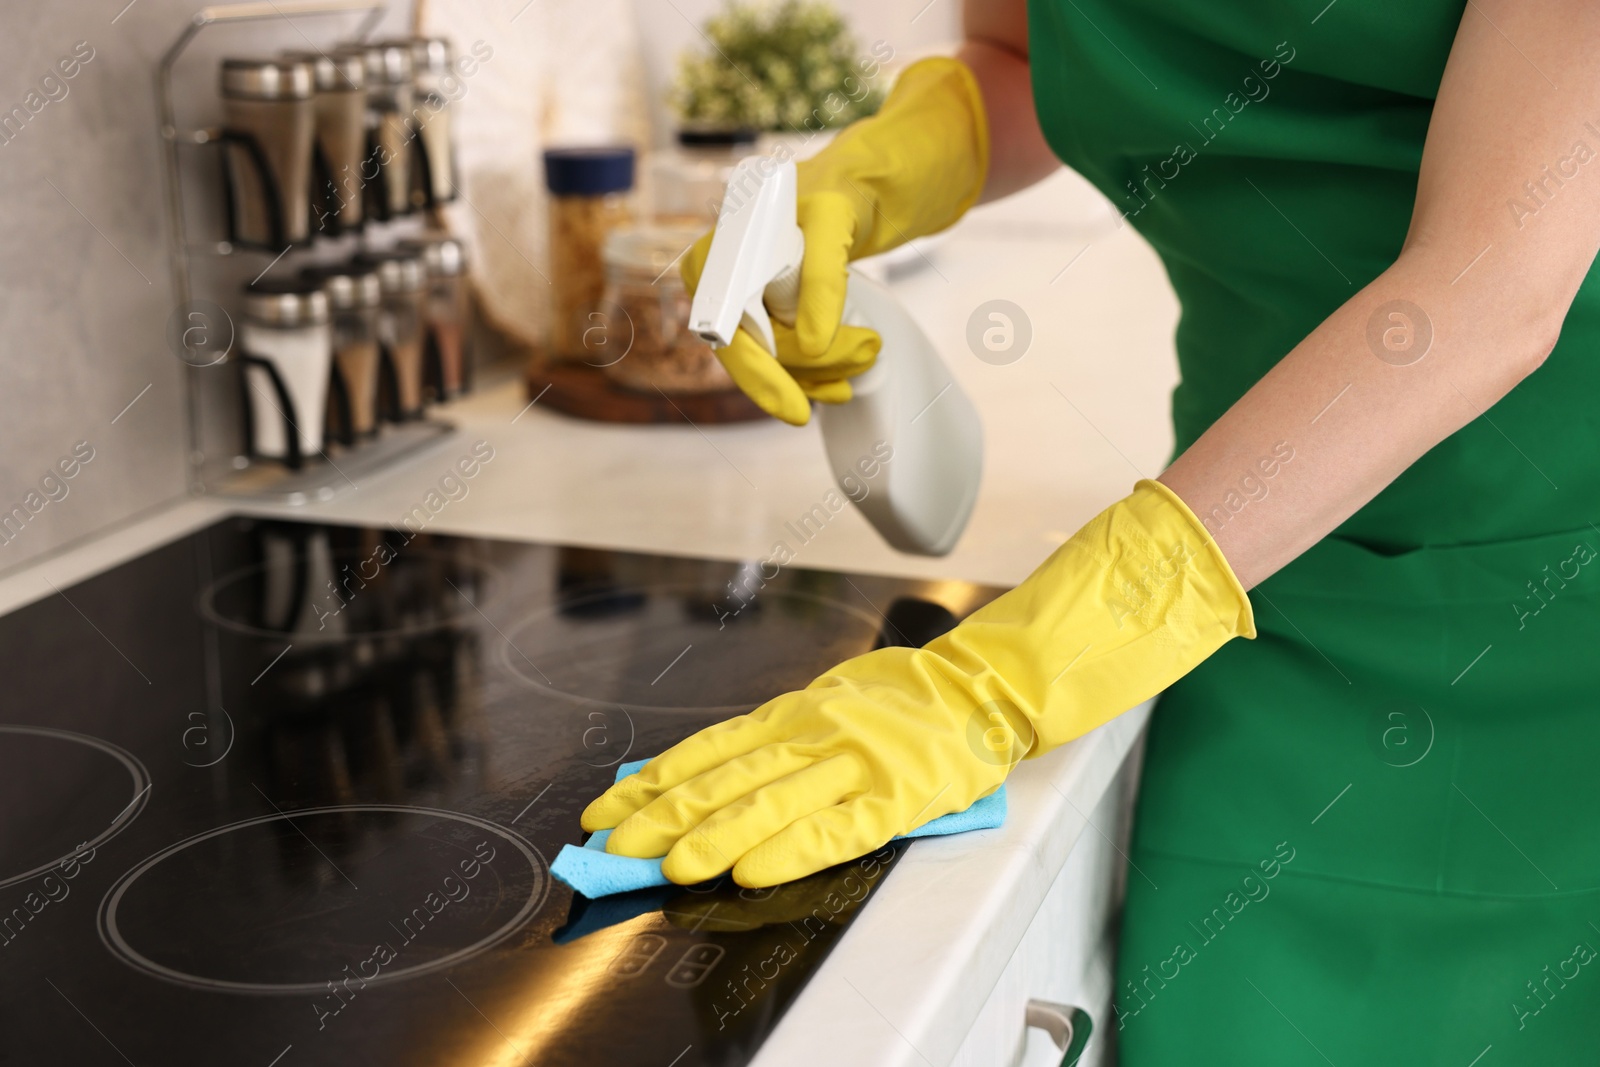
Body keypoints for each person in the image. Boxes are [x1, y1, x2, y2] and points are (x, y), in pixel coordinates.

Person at [584, 1, 1600, 1060]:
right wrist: (871, 174)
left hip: (1550, 574)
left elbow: (1490, 286)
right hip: (1248, 544)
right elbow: (1027, 56)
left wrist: (1013, 671)